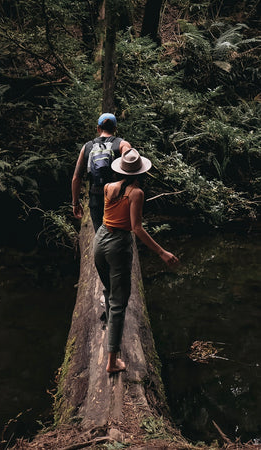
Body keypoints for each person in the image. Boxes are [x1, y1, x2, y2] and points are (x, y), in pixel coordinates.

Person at [94, 148, 179, 374]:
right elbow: (136, 228)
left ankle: (110, 326)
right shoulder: (136, 193)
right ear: (140, 173)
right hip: (118, 244)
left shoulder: (108, 187)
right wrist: (161, 252)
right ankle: (112, 362)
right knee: (119, 303)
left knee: (110, 289)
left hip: (99, 239)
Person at [71, 113, 131, 232]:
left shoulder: (87, 147)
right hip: (117, 198)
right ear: (114, 129)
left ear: (98, 128)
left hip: (96, 198)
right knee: (119, 234)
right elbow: (132, 170)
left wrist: (75, 203)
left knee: (100, 234)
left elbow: (76, 178)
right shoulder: (122, 145)